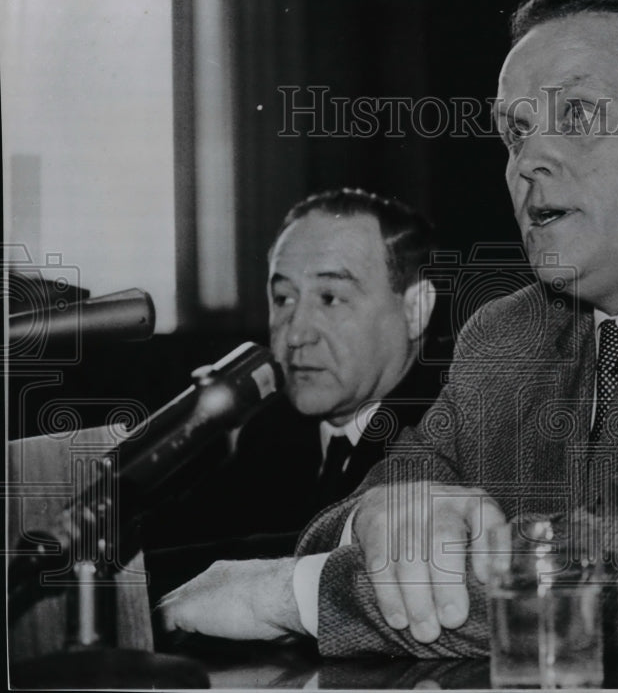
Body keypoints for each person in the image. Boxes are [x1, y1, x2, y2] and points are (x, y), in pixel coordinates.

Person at [159, 0, 618, 677]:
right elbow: (363, 512)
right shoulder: (507, 334)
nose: (528, 161)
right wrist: (385, 521)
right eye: (515, 133)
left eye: (577, 115)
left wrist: (297, 595)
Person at [143, 188, 448, 598]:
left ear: (415, 310)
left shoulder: (448, 427)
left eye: (330, 298)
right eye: (283, 298)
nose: (297, 333)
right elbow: (179, 543)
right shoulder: (270, 427)